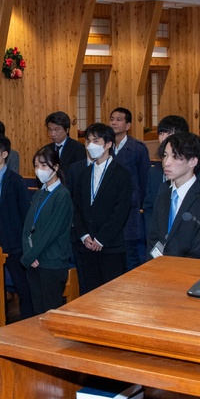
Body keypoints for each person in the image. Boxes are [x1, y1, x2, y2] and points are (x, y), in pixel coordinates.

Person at [69, 122, 133, 292]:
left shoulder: (121, 174)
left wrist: (101, 239)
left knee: (110, 295)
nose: (91, 145)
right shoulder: (84, 173)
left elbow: (120, 211)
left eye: (96, 141)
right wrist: (83, 235)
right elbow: (76, 207)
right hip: (86, 245)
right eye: (88, 141)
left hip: (111, 246)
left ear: (108, 144)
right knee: (89, 292)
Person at [0, 134, 33, 319]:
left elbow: (25, 215)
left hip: (14, 243)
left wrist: (24, 244)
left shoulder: (15, 181)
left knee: (22, 287)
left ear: (4, 154)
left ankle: (28, 322)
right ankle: (0, 322)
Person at [147, 132, 200, 260]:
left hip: (188, 273)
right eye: (165, 155)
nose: (166, 162)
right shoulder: (164, 194)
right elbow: (153, 238)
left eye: (175, 157)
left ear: (193, 161)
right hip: (158, 270)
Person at [22, 145, 73, 314]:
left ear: (56, 167)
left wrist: (30, 255)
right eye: (36, 166)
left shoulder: (62, 195)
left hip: (52, 262)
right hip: (35, 261)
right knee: (38, 312)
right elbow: (28, 227)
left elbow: (51, 233)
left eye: (44, 165)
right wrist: (29, 253)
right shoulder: (39, 194)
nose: (39, 170)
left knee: (50, 312)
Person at [109, 107, 149, 268]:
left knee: (130, 258)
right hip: (110, 209)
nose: (114, 122)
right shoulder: (105, 147)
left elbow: (144, 180)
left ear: (128, 125)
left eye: (119, 119)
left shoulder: (138, 148)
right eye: (112, 118)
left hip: (130, 211)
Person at [143, 115, 189, 236]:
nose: (163, 138)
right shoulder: (154, 172)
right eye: (161, 133)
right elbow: (148, 208)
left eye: (168, 133)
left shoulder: (193, 168)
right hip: (157, 238)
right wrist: (152, 235)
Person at [45, 111, 86, 177]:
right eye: (50, 129)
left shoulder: (78, 148)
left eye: (57, 129)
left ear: (67, 130)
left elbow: (79, 174)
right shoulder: (46, 150)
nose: (52, 134)